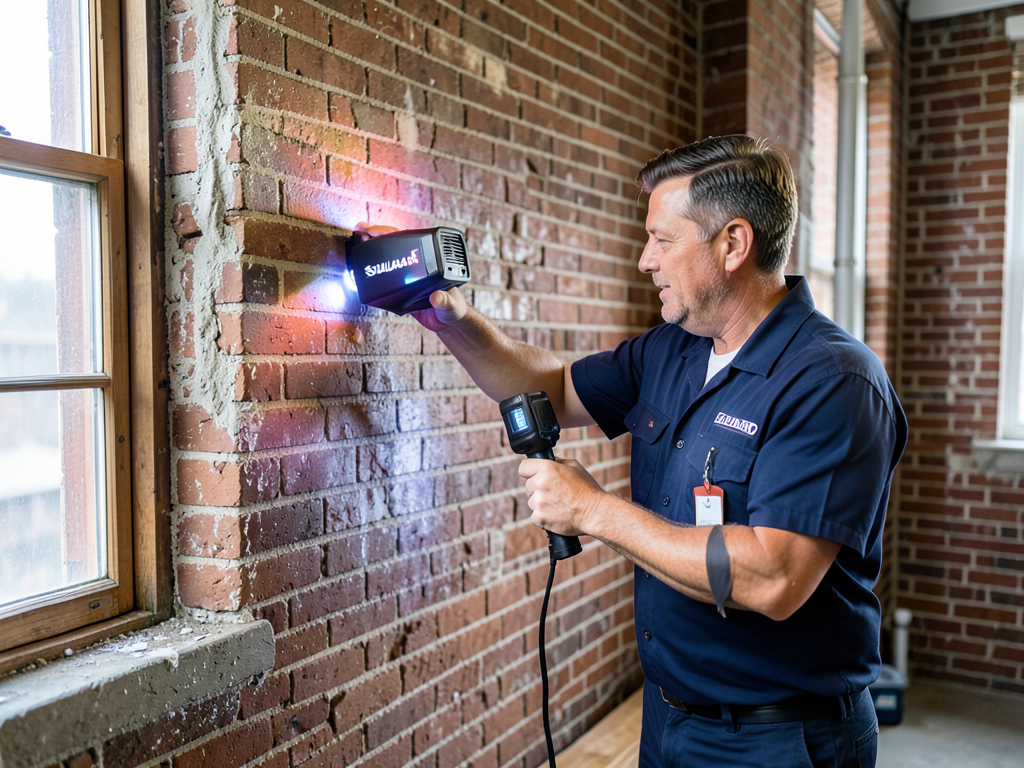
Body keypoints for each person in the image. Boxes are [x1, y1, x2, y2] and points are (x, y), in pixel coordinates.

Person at [360, 134, 907, 767]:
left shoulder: (833, 381)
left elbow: (773, 576)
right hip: (670, 718)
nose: (645, 261)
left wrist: (593, 511)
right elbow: (552, 388)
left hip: (779, 740)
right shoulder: (673, 350)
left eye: (663, 240)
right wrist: (446, 314)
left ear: (733, 244)